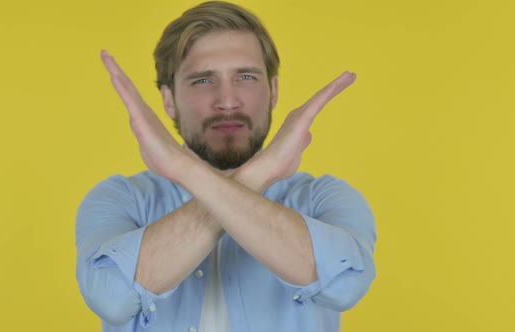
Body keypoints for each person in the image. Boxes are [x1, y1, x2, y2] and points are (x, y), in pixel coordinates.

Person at [75, 1, 376, 331]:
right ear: (169, 100)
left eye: (246, 76)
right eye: (203, 80)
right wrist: (262, 172)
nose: (228, 100)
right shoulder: (120, 199)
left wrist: (184, 169)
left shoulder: (325, 198)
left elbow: (345, 285)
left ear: (273, 90)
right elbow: (111, 297)